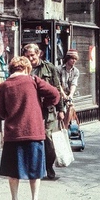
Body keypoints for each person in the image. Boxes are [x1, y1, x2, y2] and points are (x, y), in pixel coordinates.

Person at [0, 56, 60, 200]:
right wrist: (41, 105)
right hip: (33, 132)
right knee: (35, 170)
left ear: (12, 69)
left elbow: (1, 112)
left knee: (13, 171)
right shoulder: (34, 81)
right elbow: (55, 94)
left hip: (13, 134)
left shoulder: (3, 86)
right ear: (26, 68)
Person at [23, 43, 64, 180]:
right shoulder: (22, 69)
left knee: (49, 140)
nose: (30, 58)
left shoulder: (49, 67)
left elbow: (57, 88)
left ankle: (49, 166)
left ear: (38, 53)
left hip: (48, 110)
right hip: (30, 110)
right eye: (27, 56)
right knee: (32, 140)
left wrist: (61, 109)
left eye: (32, 55)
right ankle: (34, 169)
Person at [57, 49, 80, 127]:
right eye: (72, 58)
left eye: (75, 59)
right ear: (68, 58)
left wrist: (71, 95)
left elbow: (74, 83)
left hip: (69, 94)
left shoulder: (76, 71)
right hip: (59, 94)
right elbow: (58, 84)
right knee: (60, 114)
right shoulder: (58, 69)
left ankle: (67, 128)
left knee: (70, 113)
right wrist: (63, 95)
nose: (74, 61)